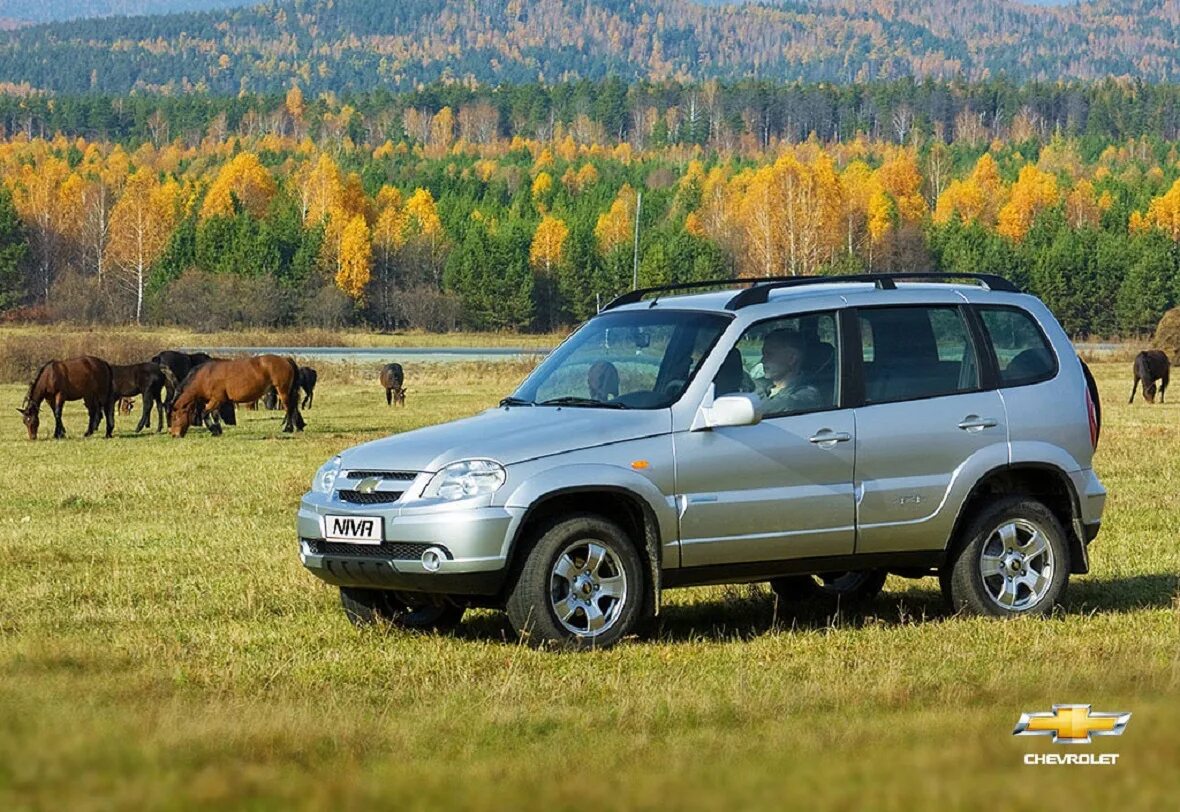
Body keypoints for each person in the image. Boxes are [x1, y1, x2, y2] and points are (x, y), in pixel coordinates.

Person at [754, 329, 821, 415]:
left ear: (791, 359)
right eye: (763, 354)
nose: (762, 360)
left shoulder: (807, 395)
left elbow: (782, 405)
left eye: (769, 354)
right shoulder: (760, 384)